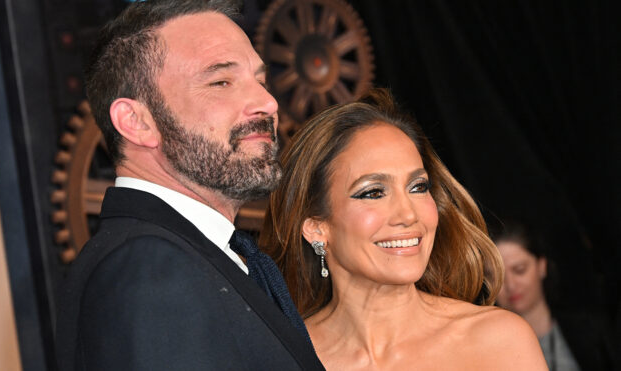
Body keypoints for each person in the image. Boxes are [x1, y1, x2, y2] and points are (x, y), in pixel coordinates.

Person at [54, 1, 323, 370]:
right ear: (136, 122)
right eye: (221, 82)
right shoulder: (147, 271)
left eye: (260, 80)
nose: (268, 102)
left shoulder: (189, 253)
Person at [260, 88, 547, 370]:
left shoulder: (498, 342)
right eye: (373, 192)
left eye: (418, 187)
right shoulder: (284, 356)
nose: (409, 214)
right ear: (315, 228)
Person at [493, 220, 617, 371]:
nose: (511, 285)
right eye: (497, 277)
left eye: (520, 270)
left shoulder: (591, 329)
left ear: (542, 266)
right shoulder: (490, 353)